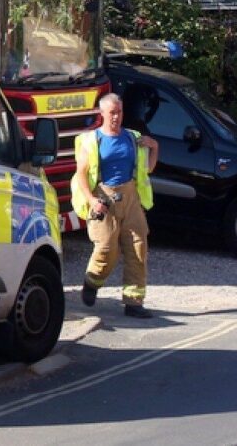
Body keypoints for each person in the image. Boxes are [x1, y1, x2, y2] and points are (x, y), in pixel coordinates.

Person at [72, 93, 159, 318]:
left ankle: (134, 302)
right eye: (111, 113)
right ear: (102, 114)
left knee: (138, 246)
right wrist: (92, 201)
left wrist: (155, 148)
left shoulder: (132, 137)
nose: (116, 117)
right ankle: (92, 282)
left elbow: (147, 169)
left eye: (119, 112)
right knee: (107, 249)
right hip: (104, 197)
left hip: (130, 196)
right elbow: (81, 174)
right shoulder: (91, 141)